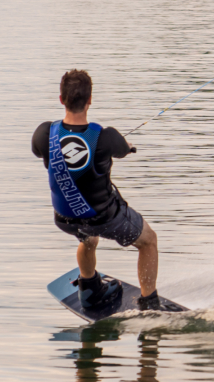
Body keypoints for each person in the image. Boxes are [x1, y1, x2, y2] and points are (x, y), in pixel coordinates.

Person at [32, 70, 168, 311]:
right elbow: (124, 149)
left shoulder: (43, 133)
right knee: (148, 241)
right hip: (104, 217)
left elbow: (38, 151)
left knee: (87, 236)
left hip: (65, 218)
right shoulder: (106, 137)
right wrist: (127, 146)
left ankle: (89, 287)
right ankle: (149, 302)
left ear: (61, 99)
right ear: (90, 100)